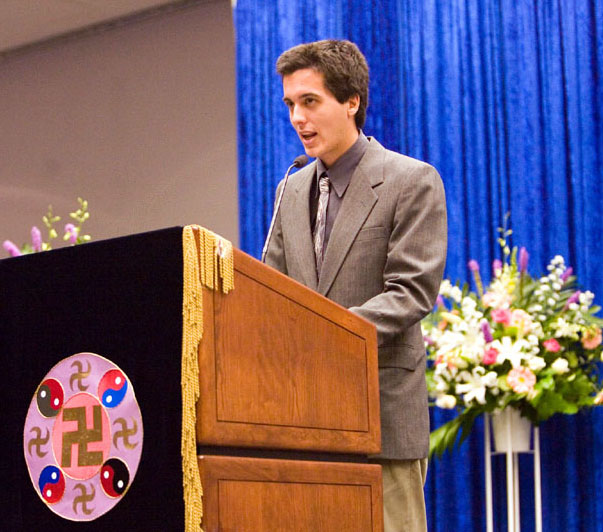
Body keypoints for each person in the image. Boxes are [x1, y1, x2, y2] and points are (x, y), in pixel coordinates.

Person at [263, 39, 447, 532]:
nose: (297, 118)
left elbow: (411, 291)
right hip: (304, 420)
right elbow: (272, 293)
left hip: (380, 418)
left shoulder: (411, 180)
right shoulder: (290, 189)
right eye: (290, 104)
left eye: (310, 101)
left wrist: (323, 333)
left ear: (351, 101)